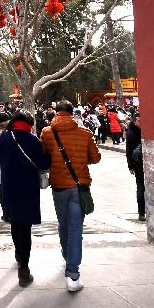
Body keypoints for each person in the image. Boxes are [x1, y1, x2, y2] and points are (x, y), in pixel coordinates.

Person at [40, 100, 101, 292]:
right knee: (76, 228)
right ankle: (73, 275)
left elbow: (43, 158)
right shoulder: (85, 133)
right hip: (79, 186)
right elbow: (96, 157)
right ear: (72, 112)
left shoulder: (47, 133)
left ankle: (67, 255)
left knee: (63, 223)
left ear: (56, 112)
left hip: (58, 186)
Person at [0, 111, 50, 287]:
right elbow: (43, 164)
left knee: (15, 222)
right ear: (29, 124)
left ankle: (19, 254)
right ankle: (24, 270)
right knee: (25, 226)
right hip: (27, 188)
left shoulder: (6, 136)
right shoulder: (33, 139)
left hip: (9, 186)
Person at [124, 113, 145, 221]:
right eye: (140, 121)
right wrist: (130, 166)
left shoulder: (145, 131)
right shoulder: (131, 133)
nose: (142, 123)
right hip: (138, 164)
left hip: (147, 163)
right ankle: (141, 212)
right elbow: (128, 151)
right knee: (141, 187)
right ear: (135, 121)